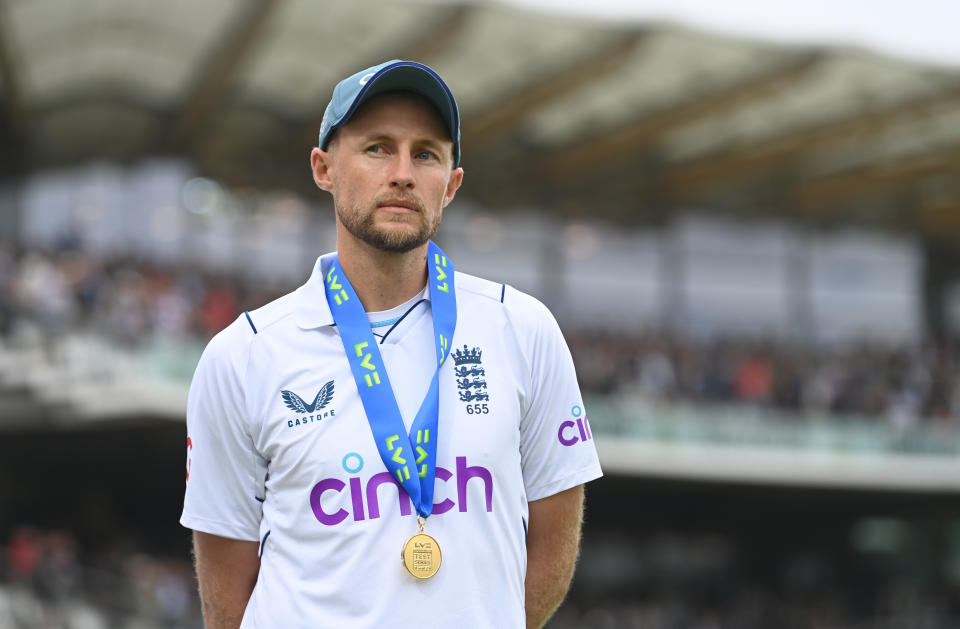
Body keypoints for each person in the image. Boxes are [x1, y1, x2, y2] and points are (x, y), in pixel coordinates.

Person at [180, 59, 602, 629]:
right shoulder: (243, 357)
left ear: (451, 184)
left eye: (425, 153)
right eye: (377, 148)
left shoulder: (522, 330)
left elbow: (554, 537)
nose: (403, 173)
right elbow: (225, 595)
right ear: (323, 168)